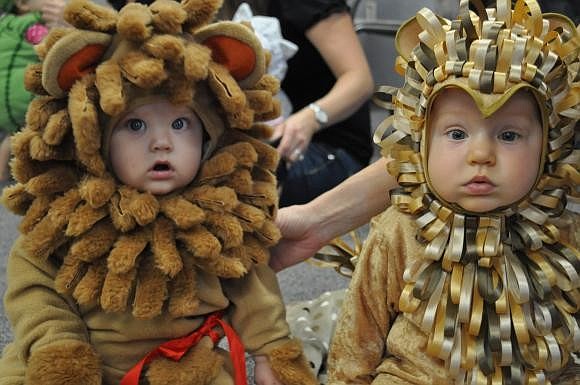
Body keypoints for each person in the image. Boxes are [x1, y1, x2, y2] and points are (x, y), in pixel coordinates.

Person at [0, 0, 318, 384]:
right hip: (84, 359)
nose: (161, 143)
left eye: (181, 123)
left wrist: (272, 351)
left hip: (181, 366)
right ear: (93, 139)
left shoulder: (219, 221)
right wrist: (59, 346)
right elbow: (34, 288)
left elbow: (254, 293)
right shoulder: (67, 217)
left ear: (209, 136)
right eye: (135, 126)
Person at [323, 0, 580, 383]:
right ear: (421, 142)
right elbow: (360, 330)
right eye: (457, 134)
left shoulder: (561, 226)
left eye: (509, 135)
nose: (481, 155)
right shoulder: (400, 226)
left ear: (548, 148)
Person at [219, 0, 374, 207]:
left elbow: (360, 80)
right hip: (263, 137)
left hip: (328, 146)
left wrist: (310, 118)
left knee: (222, 182)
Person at [0, 0, 66, 182]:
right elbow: (53, 46)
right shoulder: (36, 24)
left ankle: (4, 162)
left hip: (4, 104)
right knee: (49, 112)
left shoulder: (5, 24)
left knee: (17, 131)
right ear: (23, 4)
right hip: (25, 95)